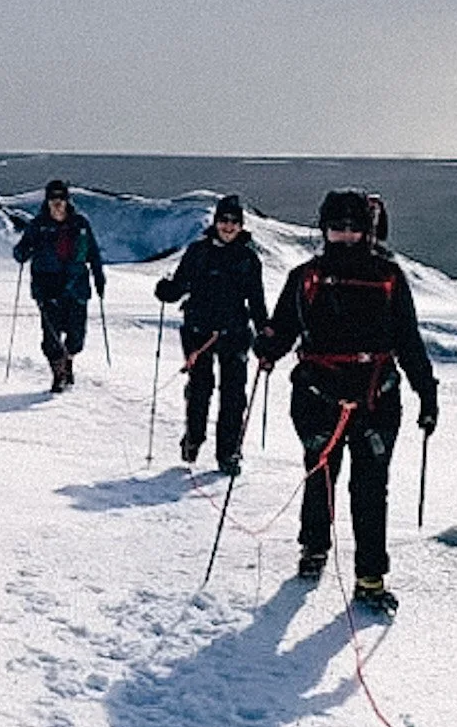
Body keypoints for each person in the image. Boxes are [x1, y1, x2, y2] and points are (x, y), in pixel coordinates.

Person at [257, 189, 438, 615]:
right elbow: (283, 330)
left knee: (370, 489)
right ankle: (315, 547)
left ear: (368, 230)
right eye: (337, 227)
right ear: (324, 229)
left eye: (353, 228)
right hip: (322, 397)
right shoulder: (304, 278)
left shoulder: (389, 278)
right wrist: (266, 347)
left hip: (375, 399)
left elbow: (408, 340)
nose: (345, 236)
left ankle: (369, 577)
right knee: (320, 476)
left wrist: (426, 393)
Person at [154, 195, 269, 473]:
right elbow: (180, 285)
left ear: (241, 225)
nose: (228, 226)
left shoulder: (248, 258)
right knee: (199, 390)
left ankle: (228, 453)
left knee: (233, 397)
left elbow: (256, 300)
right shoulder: (197, 252)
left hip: (235, 334)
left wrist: (265, 333)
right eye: (224, 220)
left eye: (234, 221)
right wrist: (167, 291)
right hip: (198, 332)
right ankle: (194, 438)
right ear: (215, 222)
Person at [12, 179, 105, 392]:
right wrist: (22, 253)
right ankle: (59, 374)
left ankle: (68, 360)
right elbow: (21, 250)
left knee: (76, 336)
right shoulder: (37, 226)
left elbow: (93, 252)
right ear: (47, 200)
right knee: (51, 336)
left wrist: (99, 278)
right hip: (47, 288)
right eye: (53, 198)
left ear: (67, 199)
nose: (57, 202)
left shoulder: (80, 223)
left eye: (61, 197)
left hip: (77, 286)